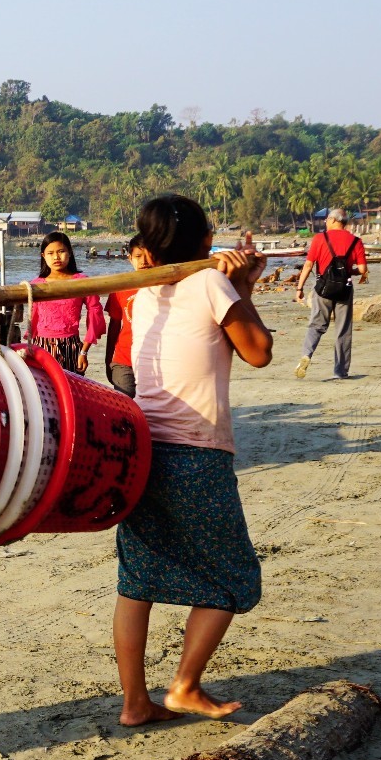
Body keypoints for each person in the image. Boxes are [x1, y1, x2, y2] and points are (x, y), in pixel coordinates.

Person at [115, 194, 272, 727]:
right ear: (204, 239)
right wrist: (240, 287)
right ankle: (183, 686)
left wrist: (237, 283)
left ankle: (135, 703)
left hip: (140, 452)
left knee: (137, 580)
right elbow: (258, 350)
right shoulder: (208, 281)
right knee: (232, 577)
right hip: (196, 452)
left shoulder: (141, 290)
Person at [292, 208, 366, 380]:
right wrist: (348, 271)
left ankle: (306, 355)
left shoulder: (320, 238)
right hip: (344, 290)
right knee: (343, 331)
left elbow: (309, 265)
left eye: (326, 219)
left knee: (316, 326)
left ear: (333, 220)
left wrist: (299, 289)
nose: (325, 222)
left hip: (323, 289)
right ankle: (340, 372)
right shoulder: (356, 241)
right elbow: (362, 270)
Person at [25, 230, 104, 375]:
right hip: (41, 346)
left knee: (71, 392)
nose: (56, 257)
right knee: (44, 393)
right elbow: (32, 320)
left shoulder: (82, 282)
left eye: (61, 251)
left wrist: (84, 351)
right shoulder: (36, 285)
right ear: (43, 256)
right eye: (50, 253)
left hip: (71, 345)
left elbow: (95, 313)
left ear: (70, 253)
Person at [102, 234, 154, 396]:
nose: (144, 261)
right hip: (124, 359)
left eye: (148, 256)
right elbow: (114, 327)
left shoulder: (165, 287)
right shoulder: (122, 287)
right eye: (138, 256)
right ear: (130, 258)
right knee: (126, 408)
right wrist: (108, 359)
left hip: (154, 361)